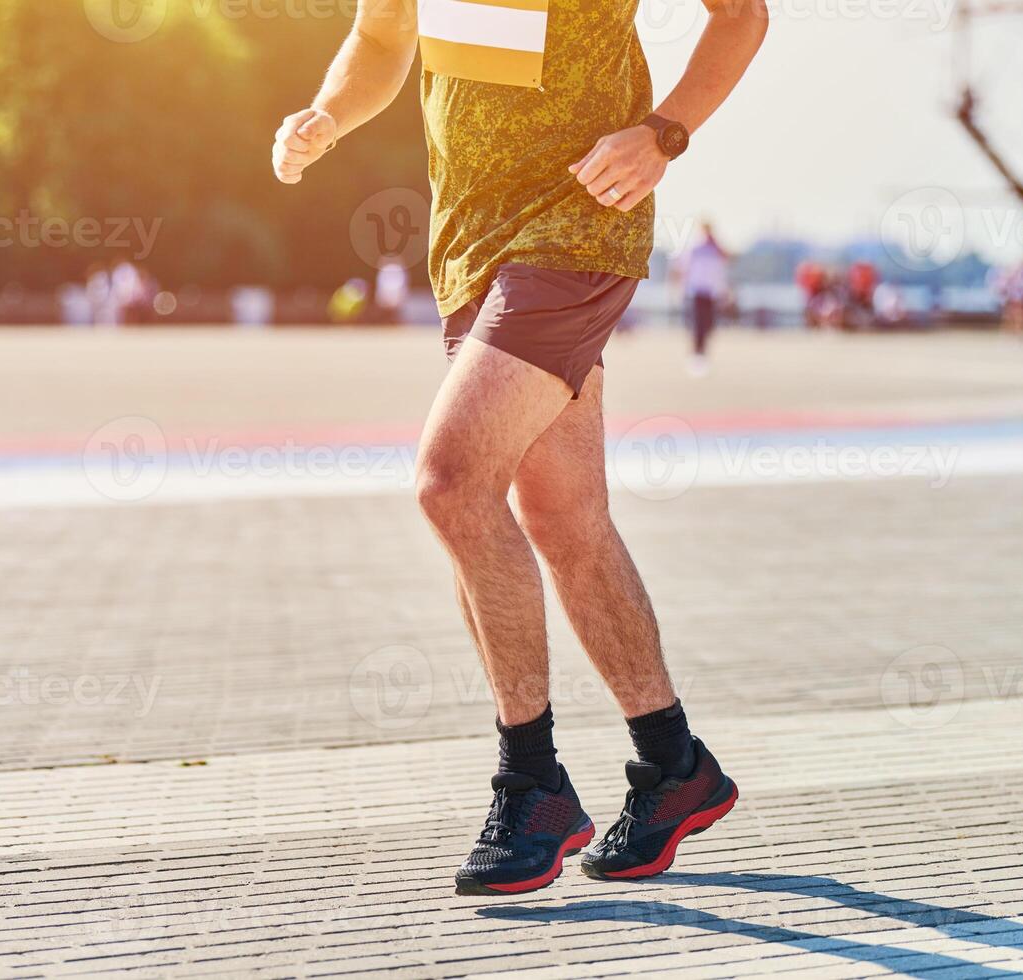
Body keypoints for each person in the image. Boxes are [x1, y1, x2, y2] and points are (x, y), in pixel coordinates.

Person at [272, 0, 767, 894]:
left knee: (450, 483)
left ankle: (531, 782)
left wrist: (663, 133)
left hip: (575, 229)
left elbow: (740, 15)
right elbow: (382, 39)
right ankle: (674, 765)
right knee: (565, 517)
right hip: (470, 247)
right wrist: (327, 114)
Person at [677, 222, 729, 375]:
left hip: (712, 292)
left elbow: (724, 264)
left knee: (708, 324)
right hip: (697, 291)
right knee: (698, 324)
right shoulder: (696, 248)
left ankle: (702, 353)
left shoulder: (716, 249)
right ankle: (697, 355)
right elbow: (684, 268)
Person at [373, 255, 410, 325]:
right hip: (392, 298)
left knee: (391, 314)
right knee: (390, 314)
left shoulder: (389, 270)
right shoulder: (396, 270)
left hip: (390, 298)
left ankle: (391, 322)